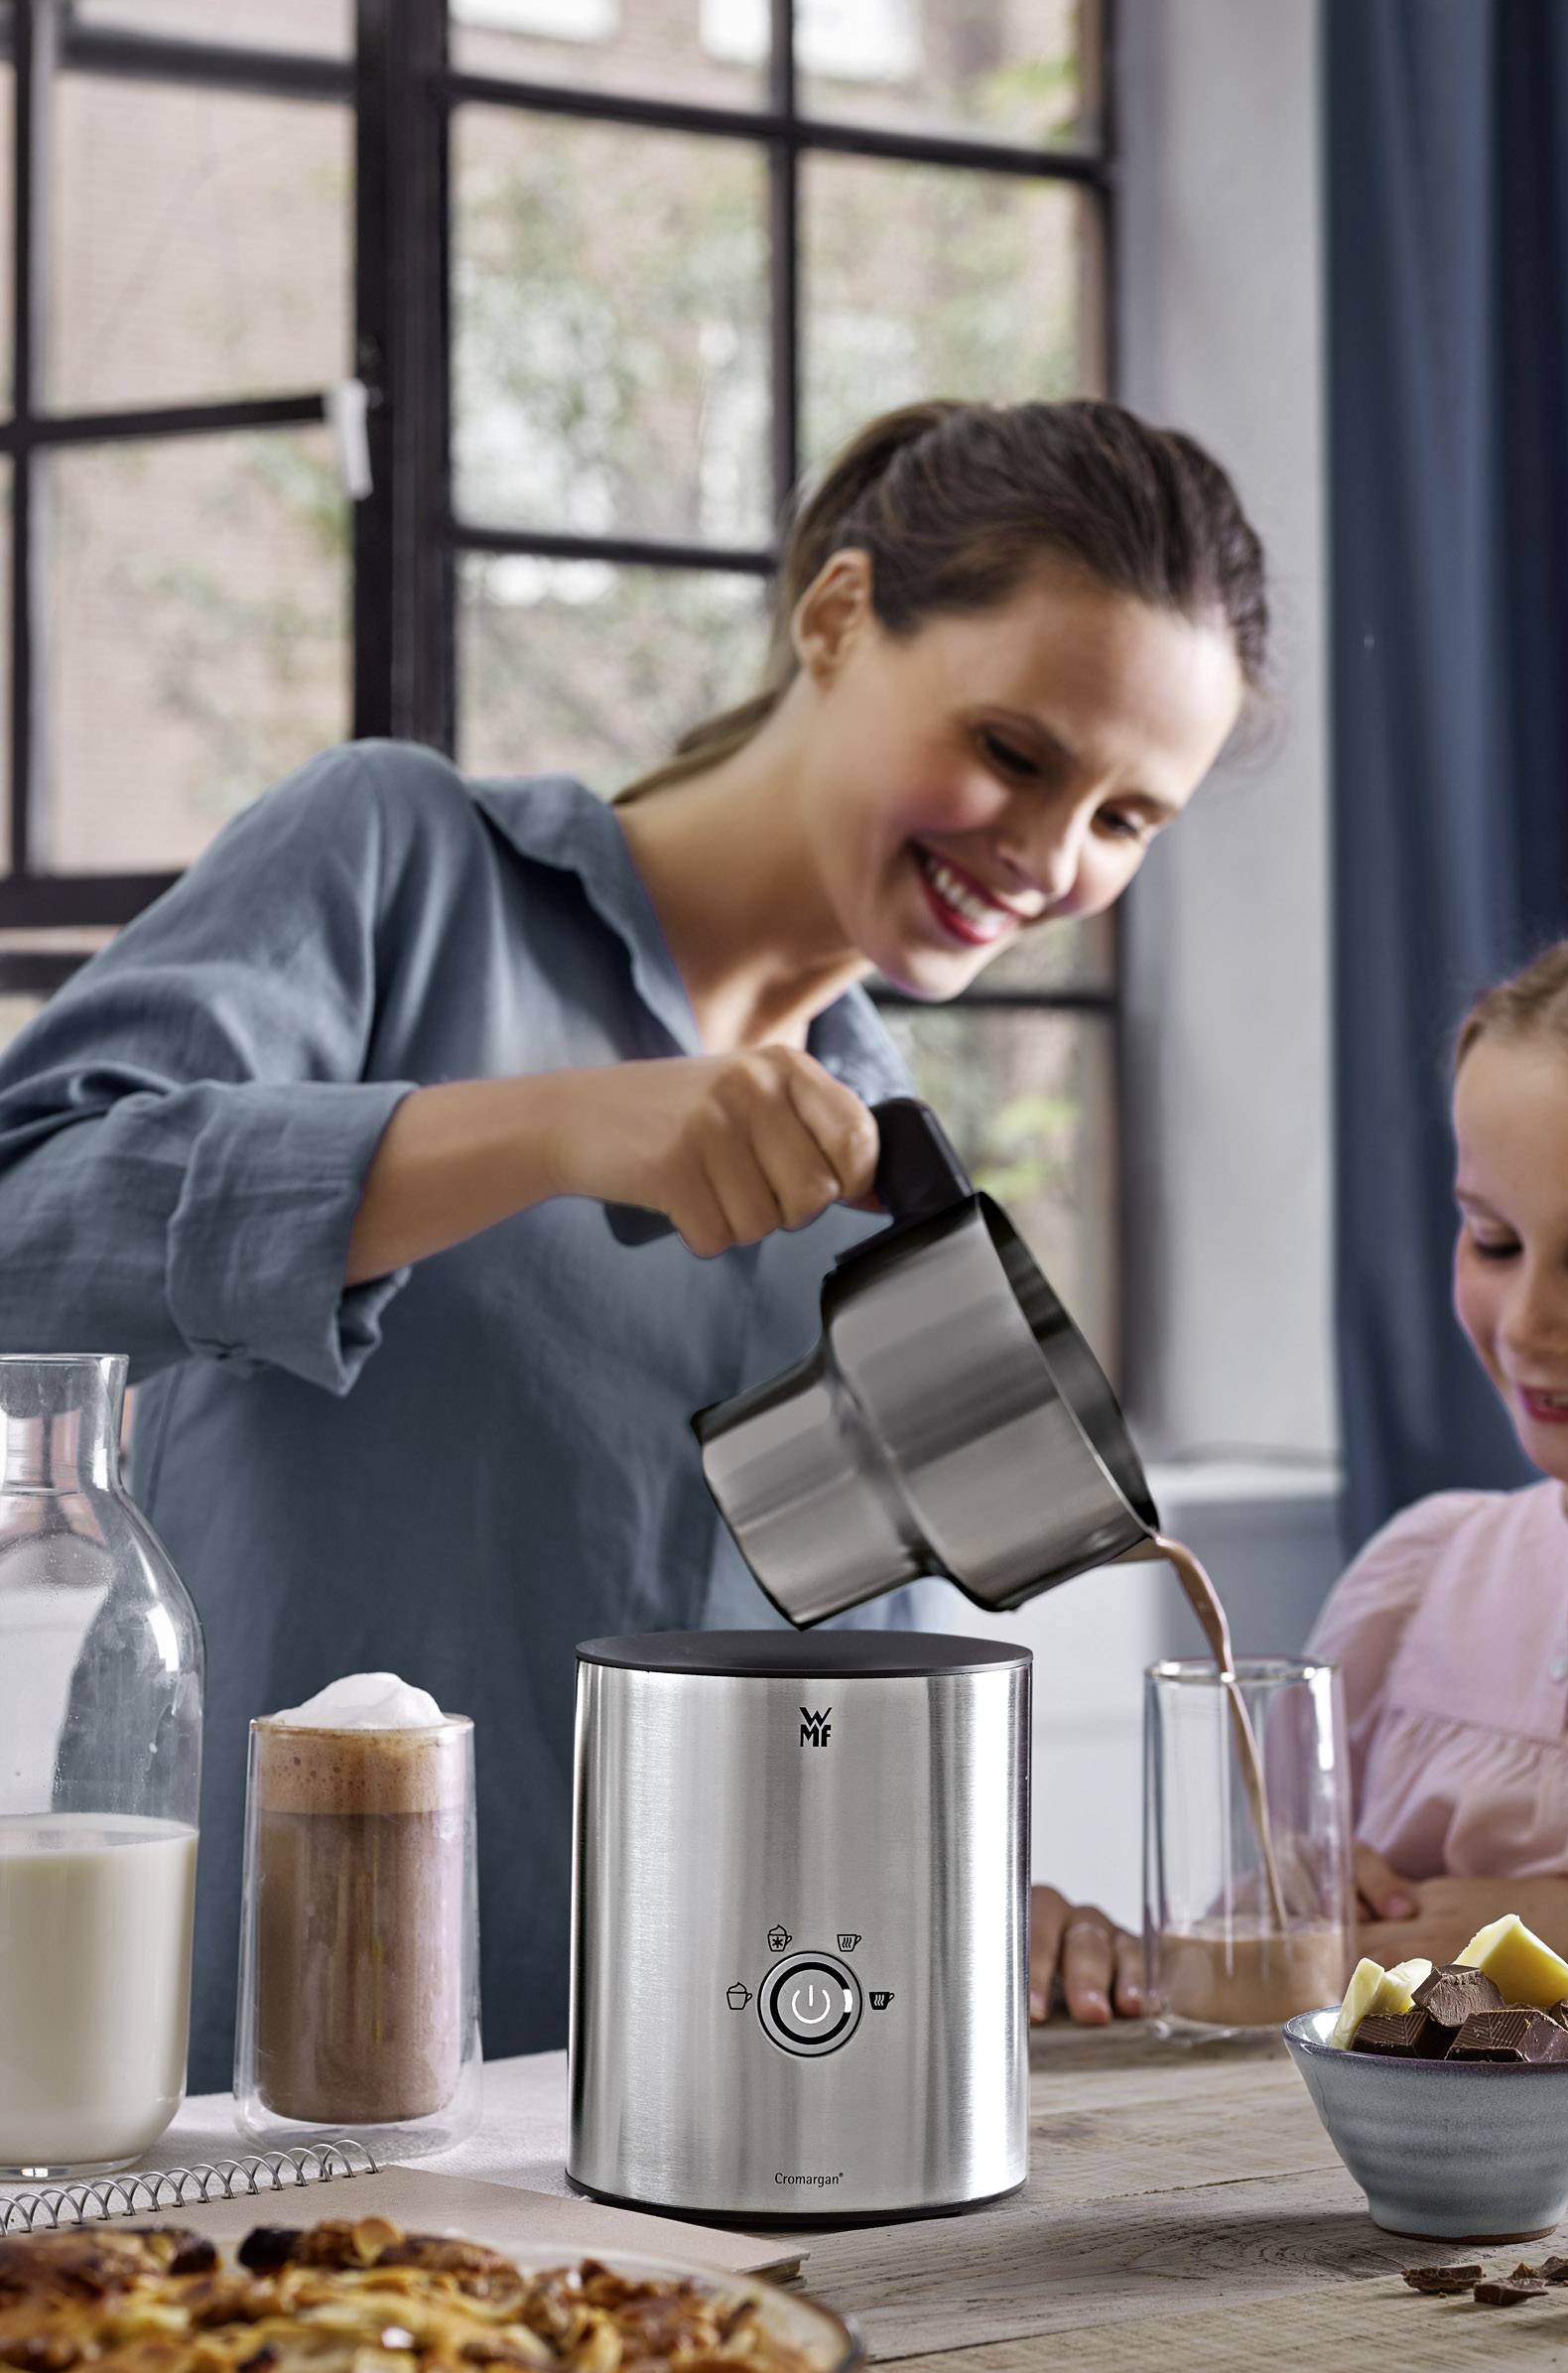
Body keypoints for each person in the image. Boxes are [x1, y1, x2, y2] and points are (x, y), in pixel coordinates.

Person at [0, 397, 1266, 2087]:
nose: (1045, 859)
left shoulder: (895, 1187)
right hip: (260, 2091)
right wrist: (549, 1126)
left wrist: (994, 1907)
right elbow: (25, 1227)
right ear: (834, 616)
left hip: (694, 2129)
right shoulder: (399, 867)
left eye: (1125, 821)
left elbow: (839, 1725)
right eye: (1015, 753)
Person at [1042, 883, 1568, 2024]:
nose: (1525, 1322)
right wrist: (1158, 1946)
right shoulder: (1421, 1584)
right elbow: (1261, 2004)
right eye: (1490, 1239)